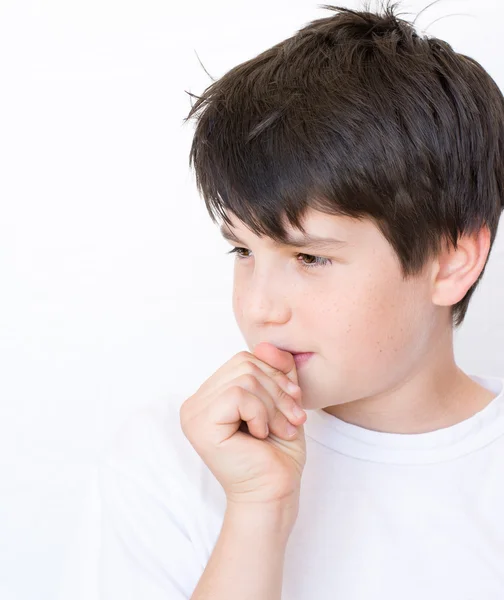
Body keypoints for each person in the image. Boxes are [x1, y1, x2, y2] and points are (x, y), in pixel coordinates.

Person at [58, 2, 504, 599]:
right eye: (241, 252)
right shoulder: (171, 459)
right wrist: (256, 513)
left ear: (451, 261)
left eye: (310, 258)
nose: (260, 307)